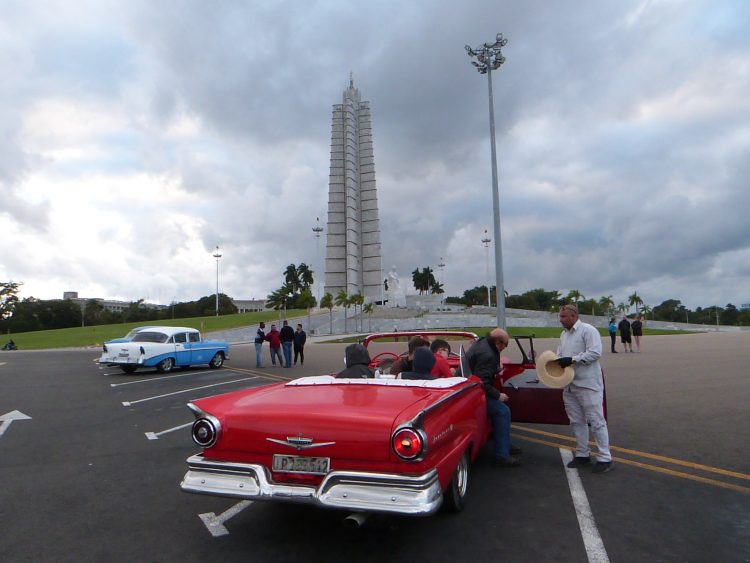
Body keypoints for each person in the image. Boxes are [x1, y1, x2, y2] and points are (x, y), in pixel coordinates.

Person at [556, 304, 613, 474]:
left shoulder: (588, 330)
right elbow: (560, 354)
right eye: (560, 317)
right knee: (576, 420)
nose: (561, 320)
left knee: (596, 420)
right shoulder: (564, 334)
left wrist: (572, 359)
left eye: (564, 317)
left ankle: (605, 457)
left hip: (588, 384)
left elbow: (595, 353)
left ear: (574, 316)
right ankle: (582, 453)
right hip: (570, 384)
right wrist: (556, 361)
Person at [465, 328, 521, 467]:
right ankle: (502, 455)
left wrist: (495, 369)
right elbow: (481, 382)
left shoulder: (483, 343)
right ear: (498, 342)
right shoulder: (488, 355)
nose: (504, 348)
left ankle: (504, 443)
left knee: (501, 410)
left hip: (469, 389)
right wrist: (498, 395)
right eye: (505, 345)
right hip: (472, 393)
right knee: (503, 411)